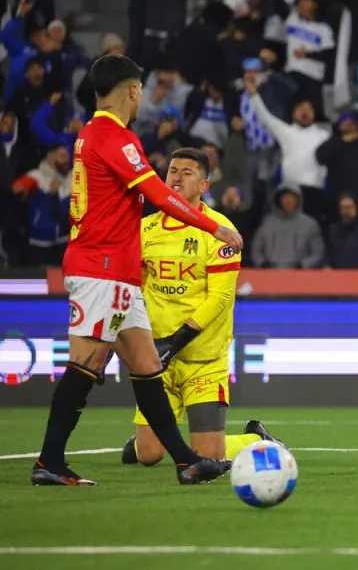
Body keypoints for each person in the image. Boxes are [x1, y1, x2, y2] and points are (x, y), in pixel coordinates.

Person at [31, 54, 243, 487]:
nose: (141, 96)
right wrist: (212, 225)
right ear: (132, 90)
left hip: (113, 270)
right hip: (102, 267)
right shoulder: (114, 136)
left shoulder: (90, 135)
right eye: (141, 89)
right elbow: (159, 195)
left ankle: (186, 462)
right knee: (87, 360)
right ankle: (49, 461)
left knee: (147, 365)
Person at [119, 147, 281, 467]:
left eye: (187, 172)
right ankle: (145, 441)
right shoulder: (144, 229)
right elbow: (134, 287)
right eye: (172, 171)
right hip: (157, 358)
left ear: (204, 186)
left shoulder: (221, 231)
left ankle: (255, 439)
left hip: (203, 358)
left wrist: (175, 341)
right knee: (149, 456)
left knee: (209, 457)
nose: (176, 177)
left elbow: (220, 299)